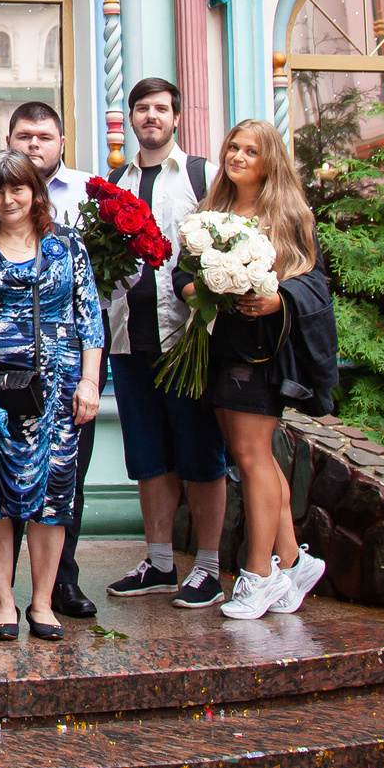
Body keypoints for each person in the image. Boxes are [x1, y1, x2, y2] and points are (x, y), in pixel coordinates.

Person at [0, 151, 103, 642]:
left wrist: (91, 381)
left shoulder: (67, 246)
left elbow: (89, 319)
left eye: (17, 188)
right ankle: (4, 602)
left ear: (36, 192)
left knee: (54, 496)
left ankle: (41, 602)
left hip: (57, 389)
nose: (7, 198)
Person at [99, 78, 232, 610]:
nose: (150, 116)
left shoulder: (203, 176)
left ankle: (208, 567)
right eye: (141, 108)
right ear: (130, 118)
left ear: (176, 117)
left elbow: (228, 242)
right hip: (131, 338)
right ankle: (157, 563)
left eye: (160, 109)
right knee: (148, 455)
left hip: (189, 340)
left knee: (201, 455)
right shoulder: (115, 181)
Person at [199, 118, 334, 621]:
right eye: (232, 146)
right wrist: (200, 287)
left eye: (250, 151)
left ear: (269, 160)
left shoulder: (289, 213)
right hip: (221, 345)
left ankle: (258, 575)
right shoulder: (213, 210)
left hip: (261, 351)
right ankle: (294, 561)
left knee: (252, 454)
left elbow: (315, 282)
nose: (237, 156)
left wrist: (278, 300)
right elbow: (187, 273)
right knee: (250, 454)